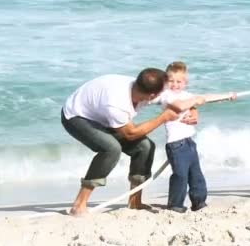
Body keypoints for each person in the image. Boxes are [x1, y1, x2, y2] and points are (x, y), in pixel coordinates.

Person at [61, 68, 197, 216]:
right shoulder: (116, 104)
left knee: (145, 147)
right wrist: (163, 118)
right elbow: (130, 134)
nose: (164, 94)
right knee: (111, 149)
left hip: (102, 115)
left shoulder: (143, 88)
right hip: (76, 116)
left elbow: (180, 101)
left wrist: (193, 111)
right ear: (152, 95)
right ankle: (79, 204)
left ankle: (134, 202)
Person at [152, 61, 236, 213]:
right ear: (165, 81)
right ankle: (175, 205)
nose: (175, 84)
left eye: (179, 81)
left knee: (196, 174)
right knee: (180, 176)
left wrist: (226, 96)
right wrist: (196, 100)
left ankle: (199, 202)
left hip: (190, 142)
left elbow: (205, 98)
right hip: (175, 144)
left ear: (185, 82)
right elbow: (180, 106)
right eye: (171, 81)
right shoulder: (166, 96)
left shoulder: (186, 95)